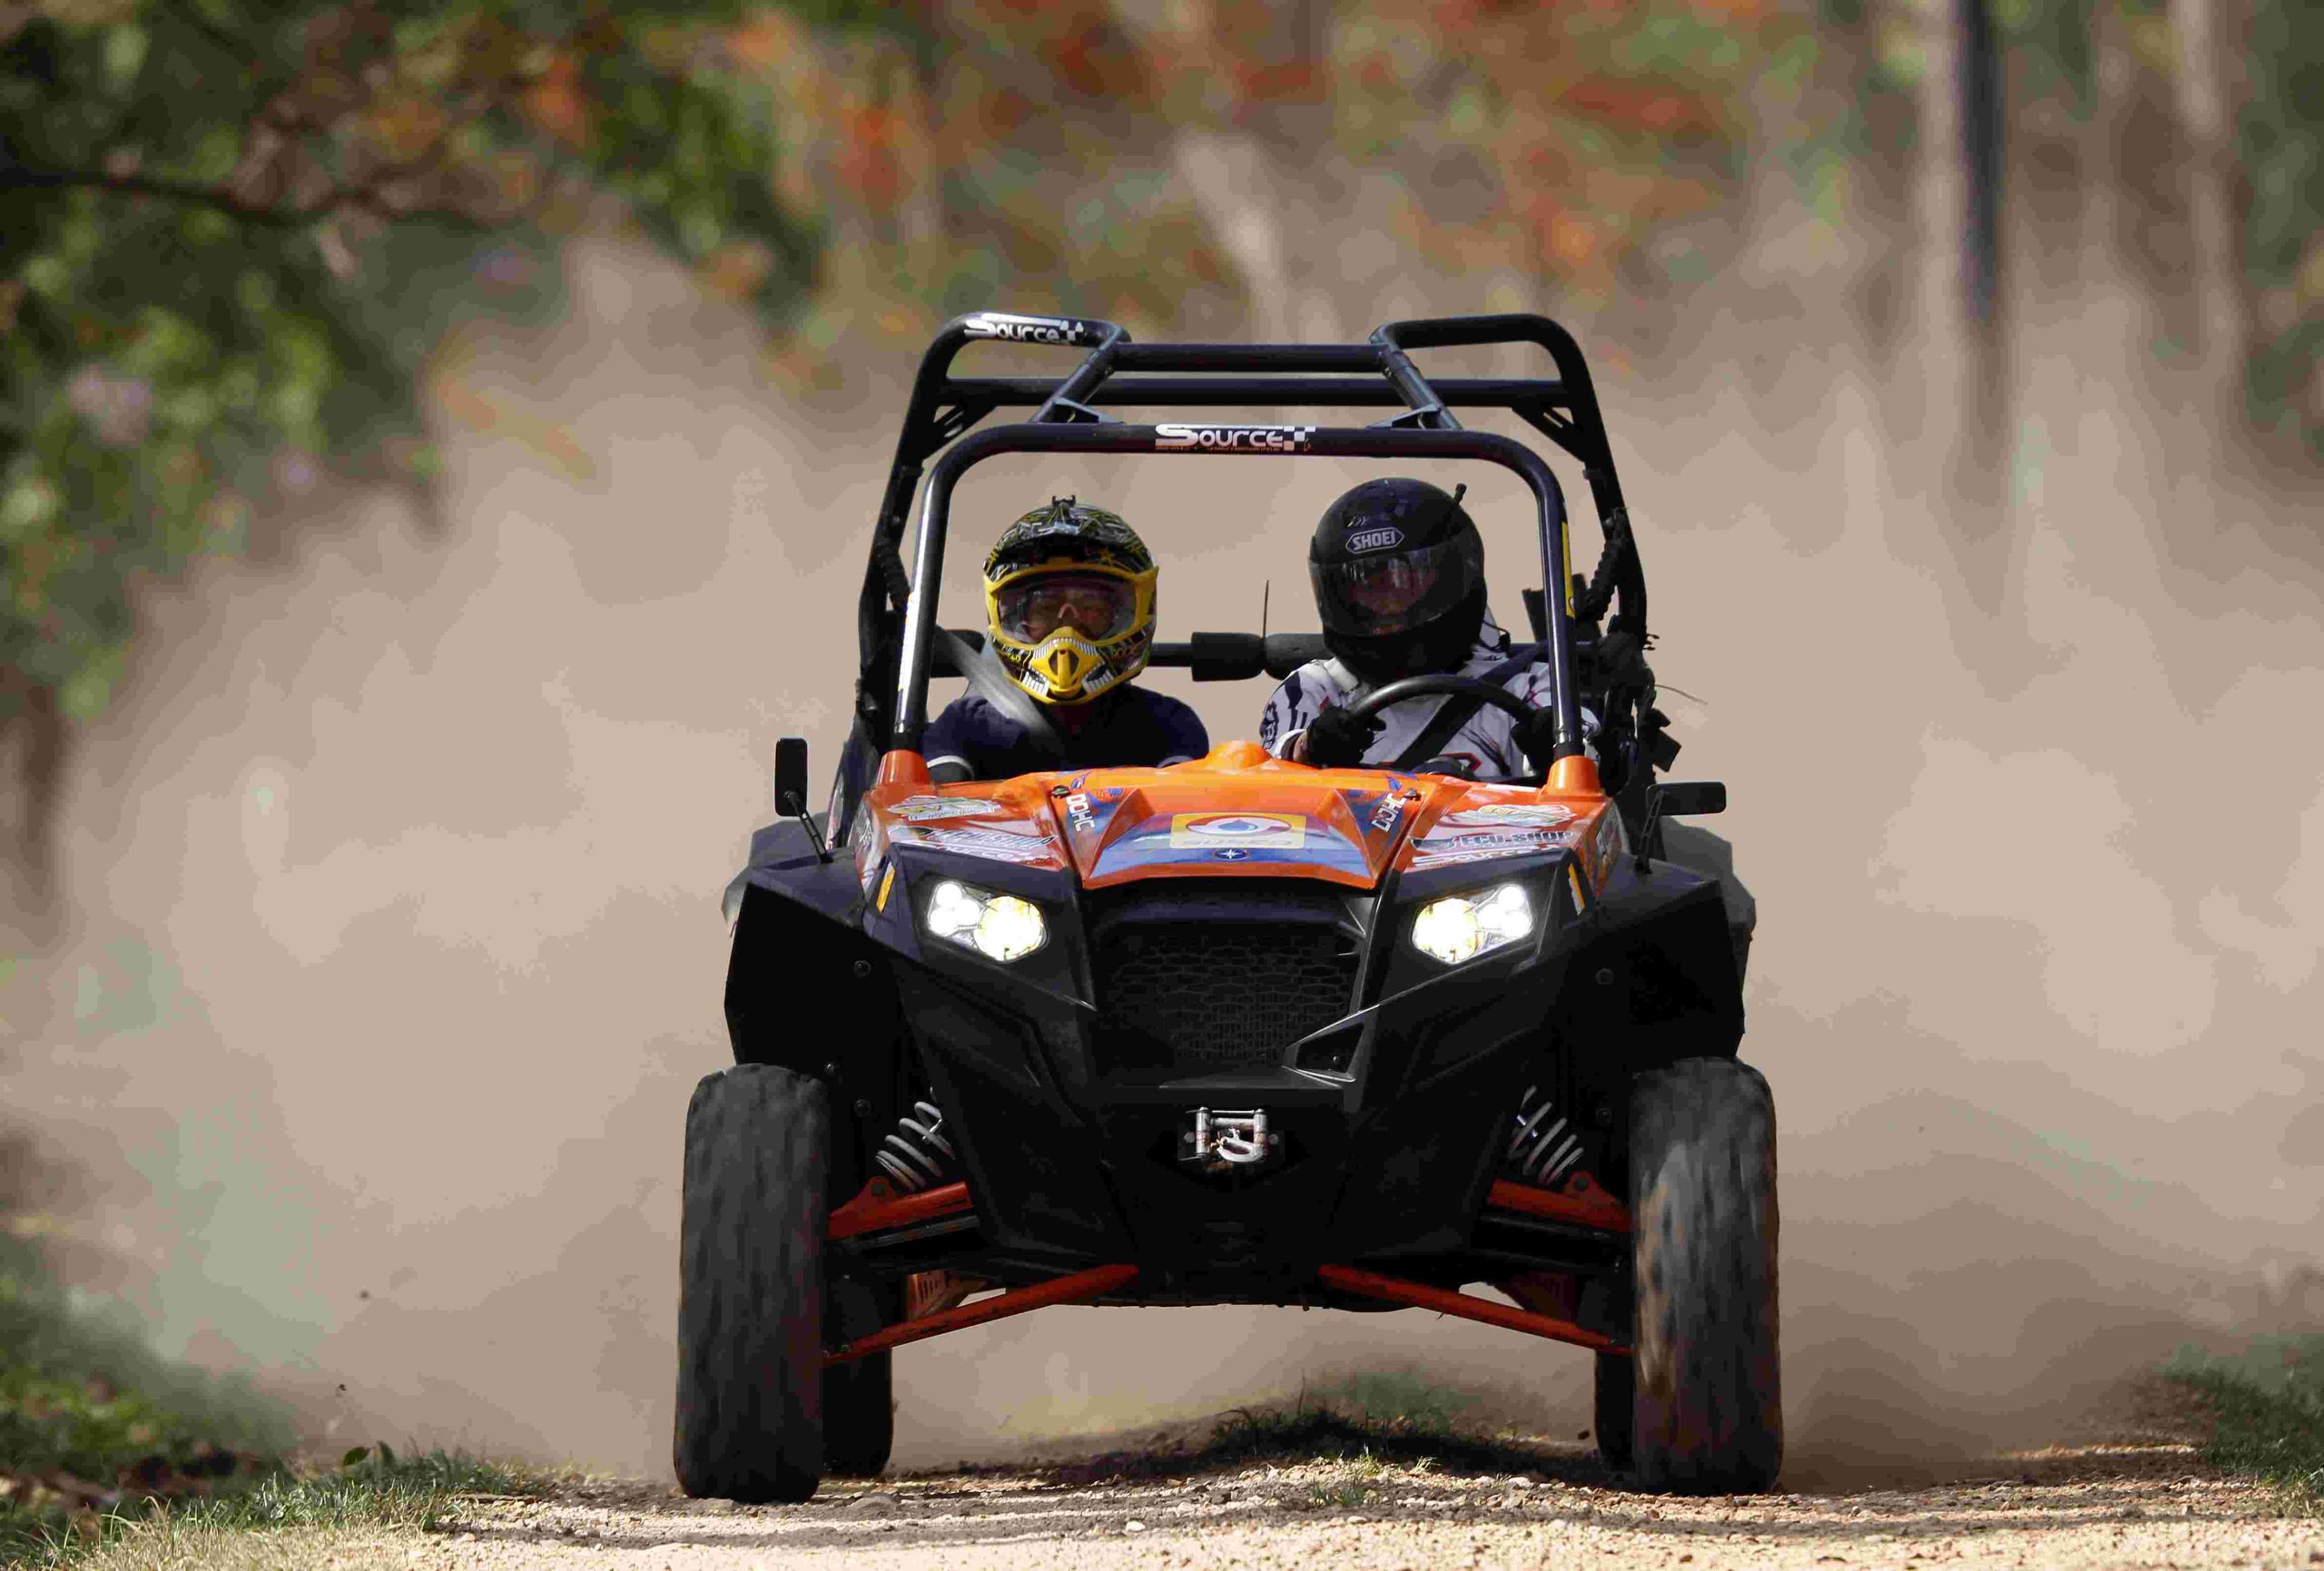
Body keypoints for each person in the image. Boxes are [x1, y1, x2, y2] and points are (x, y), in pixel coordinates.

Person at [1260, 476, 1756, 977]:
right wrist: (1310, 750)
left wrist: (1556, 750)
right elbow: (1267, 774)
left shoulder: (1527, 682)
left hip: (1491, 912)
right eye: (1367, 588)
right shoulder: (1314, 690)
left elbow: (1583, 745)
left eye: (1402, 583)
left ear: (1453, 576)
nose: (1387, 608)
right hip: (1346, 910)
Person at [924, 498, 1207, 783]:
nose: (1067, 628)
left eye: (1090, 608)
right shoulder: (967, 726)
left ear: (1128, 614)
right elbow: (929, 813)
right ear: (1013, 619)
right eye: (1046, 609)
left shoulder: (1167, 724)